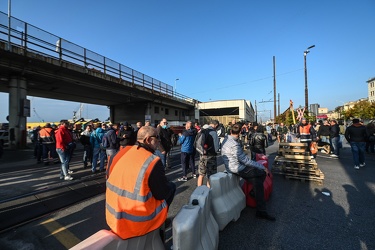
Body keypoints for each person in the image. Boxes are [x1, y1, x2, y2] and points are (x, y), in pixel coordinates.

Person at [105, 126, 176, 240]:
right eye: (157, 138)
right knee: (171, 187)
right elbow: (162, 193)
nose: (159, 141)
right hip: (138, 222)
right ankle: (160, 226)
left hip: (113, 216)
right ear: (148, 140)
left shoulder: (120, 154)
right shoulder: (152, 161)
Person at [221, 123, 275, 221]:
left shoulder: (226, 139)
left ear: (230, 131)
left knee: (257, 181)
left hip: (231, 167)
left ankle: (260, 205)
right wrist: (262, 167)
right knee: (261, 173)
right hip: (237, 168)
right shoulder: (235, 145)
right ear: (240, 132)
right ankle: (257, 202)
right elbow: (245, 161)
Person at [197, 120, 220, 188]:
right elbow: (216, 148)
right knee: (210, 175)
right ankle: (208, 191)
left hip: (202, 155)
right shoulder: (213, 132)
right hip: (211, 156)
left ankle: (199, 190)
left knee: (201, 174)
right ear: (215, 125)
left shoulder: (202, 130)